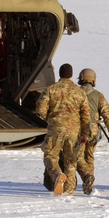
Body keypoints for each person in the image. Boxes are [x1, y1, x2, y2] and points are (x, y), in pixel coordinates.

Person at [35, 63, 91, 196]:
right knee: (71, 160)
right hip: (74, 131)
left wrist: (51, 118)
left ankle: (57, 175)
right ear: (71, 75)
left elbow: (40, 109)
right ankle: (69, 190)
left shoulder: (51, 89)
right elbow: (86, 115)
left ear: (60, 74)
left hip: (56, 129)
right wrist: (84, 133)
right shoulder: (80, 92)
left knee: (50, 156)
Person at [75, 67, 109, 195]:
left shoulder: (75, 93)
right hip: (93, 132)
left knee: (77, 156)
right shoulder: (99, 96)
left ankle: (86, 177)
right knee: (89, 156)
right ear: (93, 80)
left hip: (78, 131)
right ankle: (89, 181)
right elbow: (107, 115)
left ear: (81, 79)